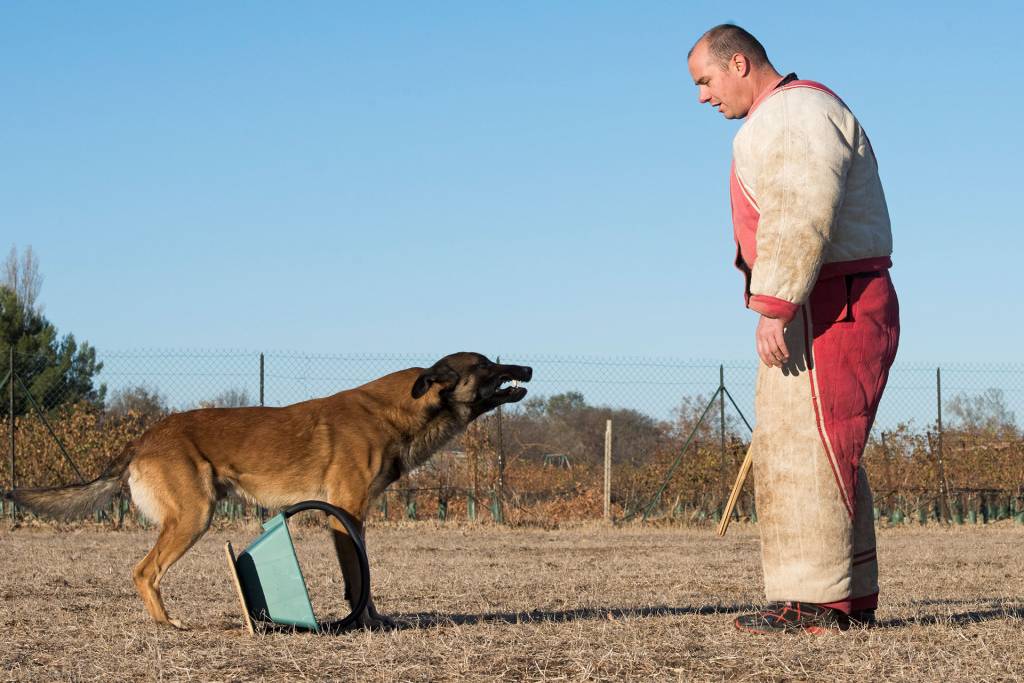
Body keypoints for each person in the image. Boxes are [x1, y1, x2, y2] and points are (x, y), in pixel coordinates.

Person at [686, 24, 900, 634]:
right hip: (828, 294)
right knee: (824, 448)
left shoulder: (794, 111)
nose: (703, 97)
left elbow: (799, 207)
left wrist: (775, 303)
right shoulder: (791, 112)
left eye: (706, 81)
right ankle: (844, 599)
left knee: (809, 449)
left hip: (829, 300)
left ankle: (813, 603)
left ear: (738, 61)